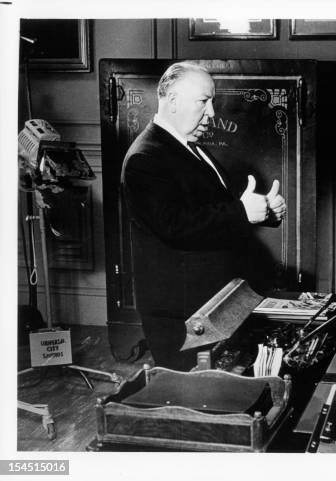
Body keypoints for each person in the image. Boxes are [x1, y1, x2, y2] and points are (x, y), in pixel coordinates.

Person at [121, 62, 286, 370]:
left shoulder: (190, 147)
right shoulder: (146, 157)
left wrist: (262, 211)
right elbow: (176, 226)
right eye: (203, 101)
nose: (211, 112)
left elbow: (208, 213)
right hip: (182, 312)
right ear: (172, 101)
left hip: (215, 299)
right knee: (193, 400)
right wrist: (242, 211)